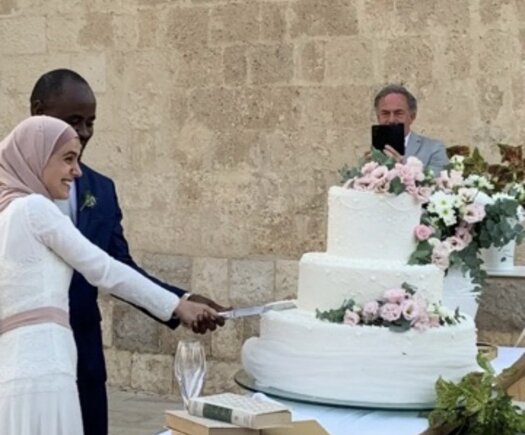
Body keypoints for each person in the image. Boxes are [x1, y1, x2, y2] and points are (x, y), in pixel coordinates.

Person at [29, 69, 230, 435]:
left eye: (90, 122)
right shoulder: (10, 189)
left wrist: (181, 300)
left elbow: (115, 266)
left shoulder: (101, 190)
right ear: (38, 112)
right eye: (73, 121)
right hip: (21, 358)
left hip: (83, 358)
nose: (83, 132)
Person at [373, 84, 449, 176]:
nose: (391, 120)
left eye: (398, 113)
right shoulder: (373, 153)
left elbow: (437, 181)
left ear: (412, 117)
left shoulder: (434, 149)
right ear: (378, 117)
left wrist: (401, 167)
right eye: (385, 113)